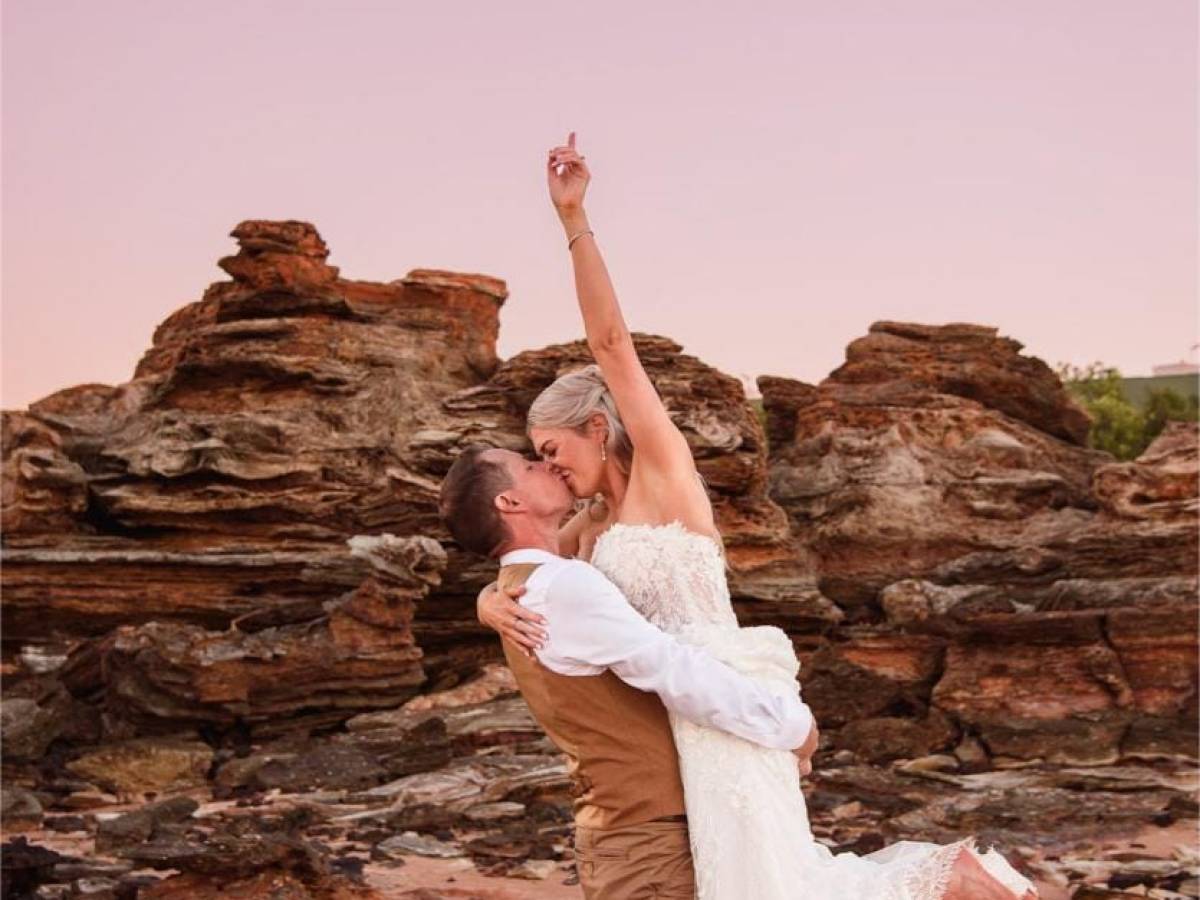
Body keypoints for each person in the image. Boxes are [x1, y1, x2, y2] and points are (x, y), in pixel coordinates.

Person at [474, 132, 1039, 900]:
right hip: (685, 726)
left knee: (783, 889)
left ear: (597, 428)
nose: (551, 466)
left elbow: (611, 345)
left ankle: (962, 879)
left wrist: (573, 218)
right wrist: (488, 603)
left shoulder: (666, 478)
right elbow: (541, 584)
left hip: (730, 706)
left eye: (552, 447)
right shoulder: (583, 531)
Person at [439, 444, 819, 900]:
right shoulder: (561, 585)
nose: (546, 465)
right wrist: (792, 726)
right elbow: (675, 669)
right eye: (529, 465)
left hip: (625, 836)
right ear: (510, 502)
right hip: (648, 847)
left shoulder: (525, 586)